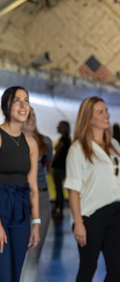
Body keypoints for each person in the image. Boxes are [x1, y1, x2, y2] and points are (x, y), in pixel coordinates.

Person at [0, 86, 40, 282]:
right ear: (7, 105)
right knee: (1, 277)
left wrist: (36, 222)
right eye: (17, 100)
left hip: (20, 214)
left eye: (26, 100)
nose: (23, 105)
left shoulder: (31, 144)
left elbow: (33, 188)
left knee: (14, 278)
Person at [64, 96, 120, 282]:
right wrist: (78, 222)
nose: (107, 115)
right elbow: (73, 189)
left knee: (117, 269)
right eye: (100, 112)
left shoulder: (115, 147)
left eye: (106, 110)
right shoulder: (78, 149)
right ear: (89, 119)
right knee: (88, 268)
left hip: (115, 212)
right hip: (91, 216)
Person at [20, 108, 53, 282]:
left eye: (33, 115)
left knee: (34, 255)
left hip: (42, 199)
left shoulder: (45, 142)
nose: (32, 119)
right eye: (28, 115)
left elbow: (47, 168)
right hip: (21, 198)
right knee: (19, 254)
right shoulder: (13, 142)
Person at [51, 121, 71, 219]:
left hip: (58, 167)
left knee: (58, 190)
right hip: (64, 167)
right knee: (59, 190)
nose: (57, 128)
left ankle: (59, 209)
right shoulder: (68, 140)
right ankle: (58, 208)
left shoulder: (63, 140)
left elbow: (57, 154)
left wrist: (50, 164)